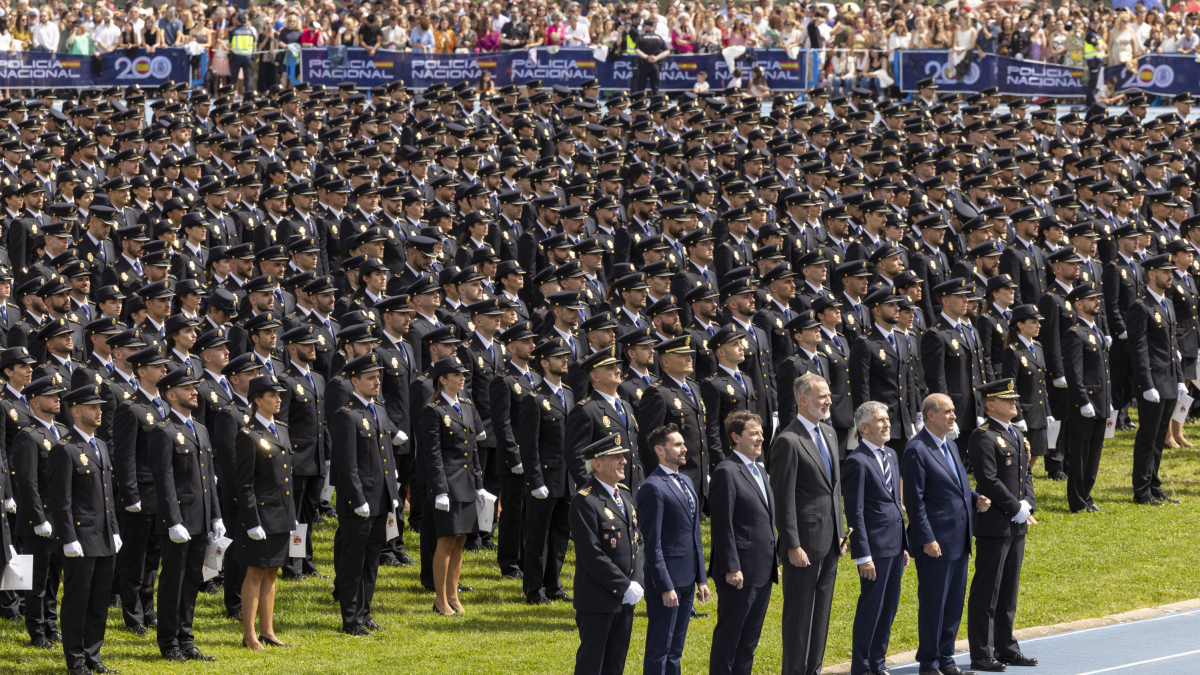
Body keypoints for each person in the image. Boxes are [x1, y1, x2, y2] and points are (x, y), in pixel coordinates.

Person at [903, 393, 992, 675]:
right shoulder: (917, 449)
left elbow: (956, 485)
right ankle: (929, 663)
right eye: (948, 411)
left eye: (954, 410)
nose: (954, 416)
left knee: (953, 605)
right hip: (936, 543)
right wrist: (927, 538)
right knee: (933, 606)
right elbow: (914, 501)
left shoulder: (950, 445)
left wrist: (975, 498)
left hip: (959, 539)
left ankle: (946, 659)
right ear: (931, 415)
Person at [770, 372, 844, 675]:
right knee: (799, 618)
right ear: (803, 400)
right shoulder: (788, 440)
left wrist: (841, 532)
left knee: (821, 615)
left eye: (828, 395)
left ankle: (813, 669)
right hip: (804, 545)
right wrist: (792, 544)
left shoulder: (829, 433)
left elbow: (834, 489)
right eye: (822, 396)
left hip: (830, 541)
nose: (828, 400)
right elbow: (783, 497)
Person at [966, 379, 1039, 671]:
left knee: (1008, 590)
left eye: (1014, 399)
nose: (1014, 403)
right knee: (988, 590)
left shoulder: (1017, 434)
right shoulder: (983, 436)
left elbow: (1027, 475)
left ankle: (1006, 647)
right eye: (1007, 400)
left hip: (1017, 522)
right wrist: (1014, 506)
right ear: (990, 404)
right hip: (995, 523)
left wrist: (1028, 504)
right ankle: (982, 653)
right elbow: (987, 479)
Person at [150, 365, 221, 663]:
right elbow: (163, 479)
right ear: (171, 394)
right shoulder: (163, 431)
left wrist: (216, 515)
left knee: (193, 579)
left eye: (195, 387)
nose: (195, 392)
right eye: (188, 388)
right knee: (173, 581)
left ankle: (186, 638)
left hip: (201, 518)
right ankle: (169, 643)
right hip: (179, 521)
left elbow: (208, 477)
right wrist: (172, 520)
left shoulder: (200, 429)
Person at [49, 385, 121, 675]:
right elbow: (60, 499)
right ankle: (76, 662)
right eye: (93, 407)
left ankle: (93, 656)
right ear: (76, 411)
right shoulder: (64, 449)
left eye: (100, 406)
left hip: (103, 535)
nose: (99, 411)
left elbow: (108, 495)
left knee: (99, 600)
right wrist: (67, 537)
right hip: (79, 537)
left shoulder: (100, 445)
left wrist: (114, 529)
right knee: (78, 600)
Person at [332, 353, 400, 633]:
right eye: (371, 378)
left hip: (380, 497)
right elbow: (346, 464)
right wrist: (357, 499)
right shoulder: (346, 416)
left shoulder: (378, 410)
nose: (377, 381)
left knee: (371, 560)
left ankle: (364, 611)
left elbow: (386, 457)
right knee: (353, 561)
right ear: (354, 381)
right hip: (359, 501)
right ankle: (350, 619)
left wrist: (392, 491)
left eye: (378, 376)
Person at [568, 434, 645, 675]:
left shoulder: (623, 494)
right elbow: (592, 554)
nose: (624, 461)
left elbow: (637, 540)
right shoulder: (585, 501)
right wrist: (623, 585)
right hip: (598, 599)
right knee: (593, 664)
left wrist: (637, 581)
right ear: (597, 464)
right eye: (616, 457)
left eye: (623, 455)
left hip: (625, 598)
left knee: (615, 663)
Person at [637, 423, 709, 675]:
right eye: (676, 444)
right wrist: (666, 586)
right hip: (666, 581)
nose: (684, 448)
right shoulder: (652, 487)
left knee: (676, 648)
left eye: (682, 443)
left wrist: (701, 578)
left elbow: (694, 535)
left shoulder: (687, 481)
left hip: (688, 579)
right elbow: (652, 543)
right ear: (659, 450)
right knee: (660, 648)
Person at [421, 356, 490, 617]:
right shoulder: (434, 409)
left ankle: (453, 594)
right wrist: (440, 489)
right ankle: (440, 599)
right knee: (446, 540)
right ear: (442, 379)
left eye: (463, 374)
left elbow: (472, 450)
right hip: (448, 485)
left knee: (461, 540)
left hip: (467, 482)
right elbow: (433, 453)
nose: (462, 378)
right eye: (456, 374)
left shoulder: (467, 406)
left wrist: (479, 484)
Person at [842, 401, 908, 675]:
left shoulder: (891, 454)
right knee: (872, 608)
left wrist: (904, 545)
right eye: (880, 420)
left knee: (889, 608)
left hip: (894, 545)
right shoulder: (857, 462)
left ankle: (877, 663)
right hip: (875, 549)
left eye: (887, 419)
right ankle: (862, 667)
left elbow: (895, 501)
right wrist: (863, 555)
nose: (887, 424)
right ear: (864, 428)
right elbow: (854, 513)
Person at [708, 410, 775, 675]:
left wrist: (772, 560)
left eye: (761, 433)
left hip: (762, 569)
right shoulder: (726, 471)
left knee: (748, 642)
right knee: (729, 640)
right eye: (753, 433)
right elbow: (722, 525)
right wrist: (732, 567)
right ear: (735, 437)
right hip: (739, 572)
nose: (760, 438)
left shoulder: (759, 468)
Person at [233, 374, 295, 650]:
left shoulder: (281, 429)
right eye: (272, 395)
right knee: (255, 573)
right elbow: (244, 483)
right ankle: (249, 634)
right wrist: (251, 521)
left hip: (281, 513)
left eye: (279, 395)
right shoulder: (248, 435)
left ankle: (268, 630)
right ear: (257, 400)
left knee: (272, 572)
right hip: (261, 515)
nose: (278, 399)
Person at [12, 376, 70, 650]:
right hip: (40, 519)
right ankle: (37, 631)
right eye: (51, 396)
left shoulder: (63, 431)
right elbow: (27, 482)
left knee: (54, 577)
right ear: (35, 402)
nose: (58, 399)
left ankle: (51, 624)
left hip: (61, 518)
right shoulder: (28, 435)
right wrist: (38, 518)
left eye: (58, 395)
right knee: (37, 580)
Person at [519, 337, 576, 605]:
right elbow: (529, 446)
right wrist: (535, 480)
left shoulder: (570, 394)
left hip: (567, 478)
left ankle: (554, 584)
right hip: (545, 477)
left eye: (565, 356)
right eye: (558, 357)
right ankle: (534, 588)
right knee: (537, 535)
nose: (565, 360)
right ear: (544, 362)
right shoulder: (534, 398)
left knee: (560, 534)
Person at [1127, 255, 1185, 505]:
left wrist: (1180, 378)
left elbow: (1173, 347)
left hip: (1169, 380)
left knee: (1160, 437)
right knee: (1147, 438)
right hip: (1152, 382)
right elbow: (1138, 349)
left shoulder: (1168, 303)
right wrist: (1146, 384)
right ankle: (1141, 491)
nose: (1170, 275)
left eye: (1171, 271)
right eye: (1165, 271)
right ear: (1151, 274)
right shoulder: (1140, 306)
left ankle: (1153, 483)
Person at [850, 287, 919, 452]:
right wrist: (865, 424)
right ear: (877, 310)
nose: (897, 308)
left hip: (901, 422)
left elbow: (908, 380)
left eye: (897, 304)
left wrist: (912, 417)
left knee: (901, 472)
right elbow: (861, 388)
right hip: (877, 424)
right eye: (891, 305)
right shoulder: (865, 343)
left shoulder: (902, 338)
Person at [229, 13, 256, 98]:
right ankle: (248, 98)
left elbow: (230, 44)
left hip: (236, 57)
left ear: (238, 20)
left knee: (234, 79)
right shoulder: (250, 31)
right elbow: (253, 44)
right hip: (248, 57)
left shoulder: (234, 31)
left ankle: (232, 97)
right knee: (247, 79)